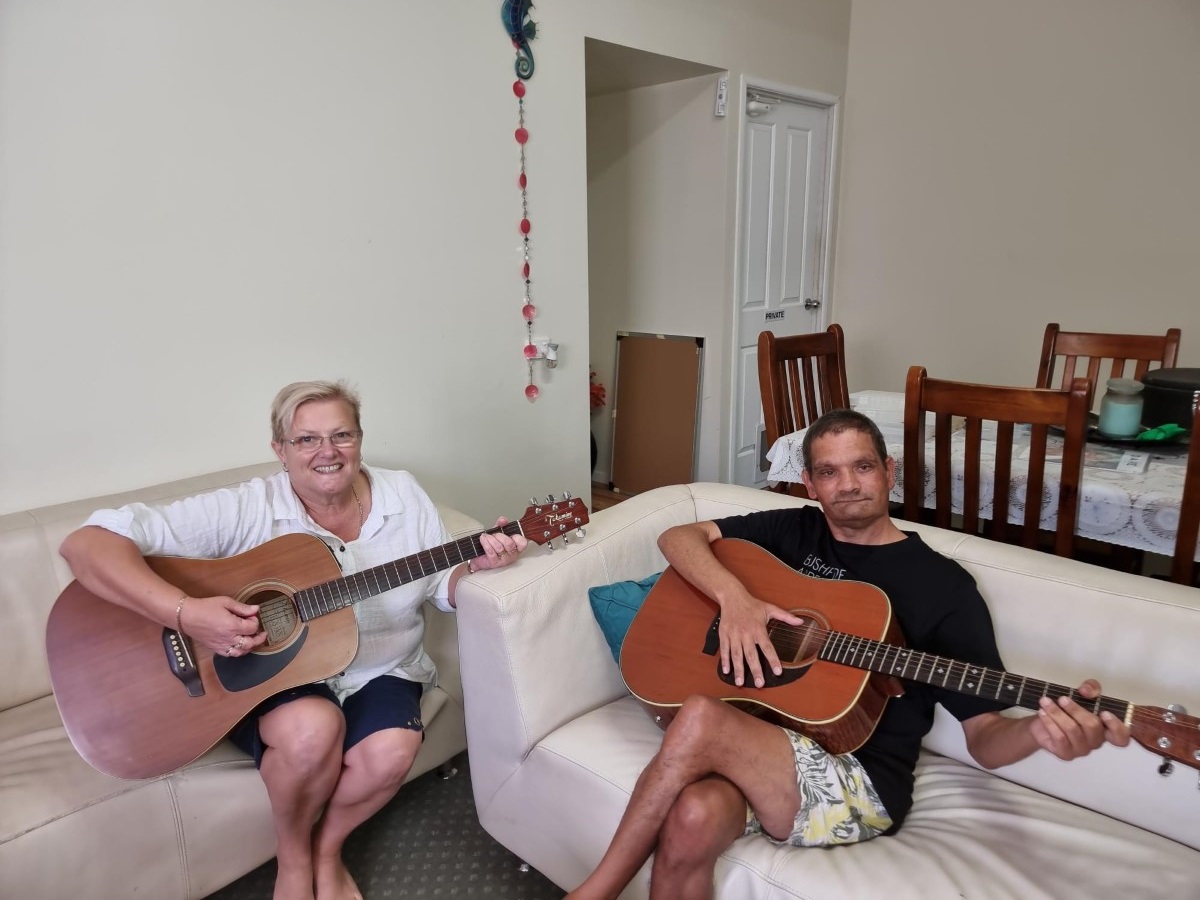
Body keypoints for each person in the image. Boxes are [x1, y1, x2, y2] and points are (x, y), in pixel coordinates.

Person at [566, 409, 1130, 900]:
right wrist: (735, 600)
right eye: (829, 472)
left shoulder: (943, 588)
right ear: (809, 483)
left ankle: (595, 891)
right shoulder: (794, 530)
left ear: (890, 472)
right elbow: (678, 538)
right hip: (765, 742)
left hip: (859, 778)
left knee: (699, 716)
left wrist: (1039, 732)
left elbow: (985, 735)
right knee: (690, 818)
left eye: (862, 466)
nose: (848, 484)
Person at [60, 379, 527, 900]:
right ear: (279, 450)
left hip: (380, 666)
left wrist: (478, 570)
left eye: (341, 435)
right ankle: (293, 858)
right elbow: (87, 544)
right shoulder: (246, 507)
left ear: (359, 439)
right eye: (306, 440)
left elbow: (442, 587)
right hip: (275, 676)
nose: (327, 452)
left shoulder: (403, 493)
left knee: (393, 752)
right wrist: (187, 614)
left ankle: (328, 850)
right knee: (311, 728)